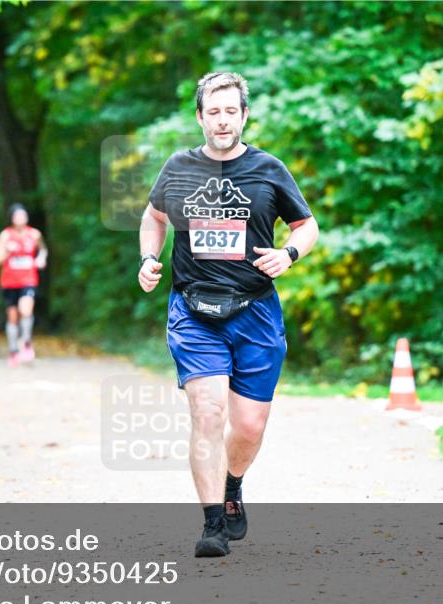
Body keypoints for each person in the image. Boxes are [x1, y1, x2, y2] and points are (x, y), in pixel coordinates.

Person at [138, 72, 320, 557]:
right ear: (200, 117)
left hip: (255, 310)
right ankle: (212, 524)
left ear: (244, 116)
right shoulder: (178, 168)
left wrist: (289, 254)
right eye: (213, 112)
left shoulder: (268, 169)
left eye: (230, 112)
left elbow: (307, 225)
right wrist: (148, 259)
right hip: (194, 310)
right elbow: (153, 217)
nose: (222, 120)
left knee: (248, 426)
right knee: (208, 411)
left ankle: (232, 484)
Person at [0, 204, 47, 367]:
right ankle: (13, 350)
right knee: (13, 317)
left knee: (26, 310)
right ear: (12, 218)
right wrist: (7, 251)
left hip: (28, 279)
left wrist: (41, 258)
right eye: (17, 216)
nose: (20, 219)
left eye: (23, 216)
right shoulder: (5, 236)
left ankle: (27, 343)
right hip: (9, 281)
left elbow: (43, 250)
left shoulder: (34, 234)